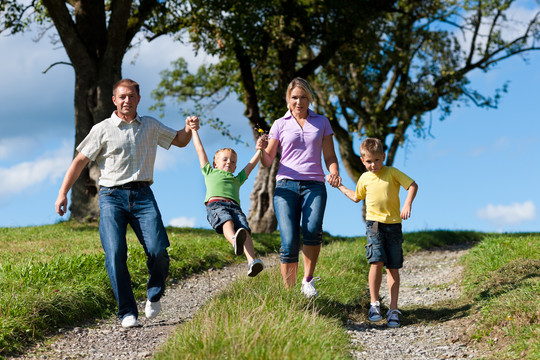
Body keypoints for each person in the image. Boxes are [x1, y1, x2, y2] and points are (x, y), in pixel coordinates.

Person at [55, 78, 199, 328]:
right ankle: (127, 311)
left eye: (131, 96)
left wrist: (188, 128)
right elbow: (79, 162)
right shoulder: (102, 129)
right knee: (115, 254)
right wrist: (63, 193)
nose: (126, 101)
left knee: (158, 252)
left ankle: (154, 293)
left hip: (143, 196)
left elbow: (179, 140)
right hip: (111, 197)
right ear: (114, 100)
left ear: (138, 99)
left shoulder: (151, 125)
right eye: (122, 97)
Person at [259, 77, 341, 298]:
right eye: (294, 97)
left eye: (303, 97)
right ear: (288, 99)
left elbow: (330, 155)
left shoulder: (322, 122)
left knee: (313, 230)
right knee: (288, 240)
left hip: (314, 185)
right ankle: (289, 294)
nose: (299, 101)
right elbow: (267, 161)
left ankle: (307, 280)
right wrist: (261, 150)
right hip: (285, 186)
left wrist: (333, 171)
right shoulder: (279, 124)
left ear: (310, 99)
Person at [337, 138, 418, 328]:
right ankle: (374, 304)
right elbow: (356, 197)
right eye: (369, 162)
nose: (373, 165)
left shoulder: (392, 172)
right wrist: (340, 186)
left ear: (383, 157)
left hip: (394, 225)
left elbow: (413, 185)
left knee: (392, 266)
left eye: (377, 160)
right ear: (362, 160)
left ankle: (393, 309)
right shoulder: (364, 179)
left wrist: (407, 204)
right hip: (373, 224)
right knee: (376, 261)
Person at [189, 119, 265, 276]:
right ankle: (233, 240)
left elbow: (251, 164)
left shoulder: (237, 178)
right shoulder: (209, 171)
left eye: (233, 161)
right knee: (226, 221)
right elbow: (200, 150)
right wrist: (194, 131)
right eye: (225, 159)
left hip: (235, 207)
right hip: (216, 205)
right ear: (215, 163)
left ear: (236, 166)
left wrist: (260, 150)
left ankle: (252, 262)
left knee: (245, 231)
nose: (229, 162)